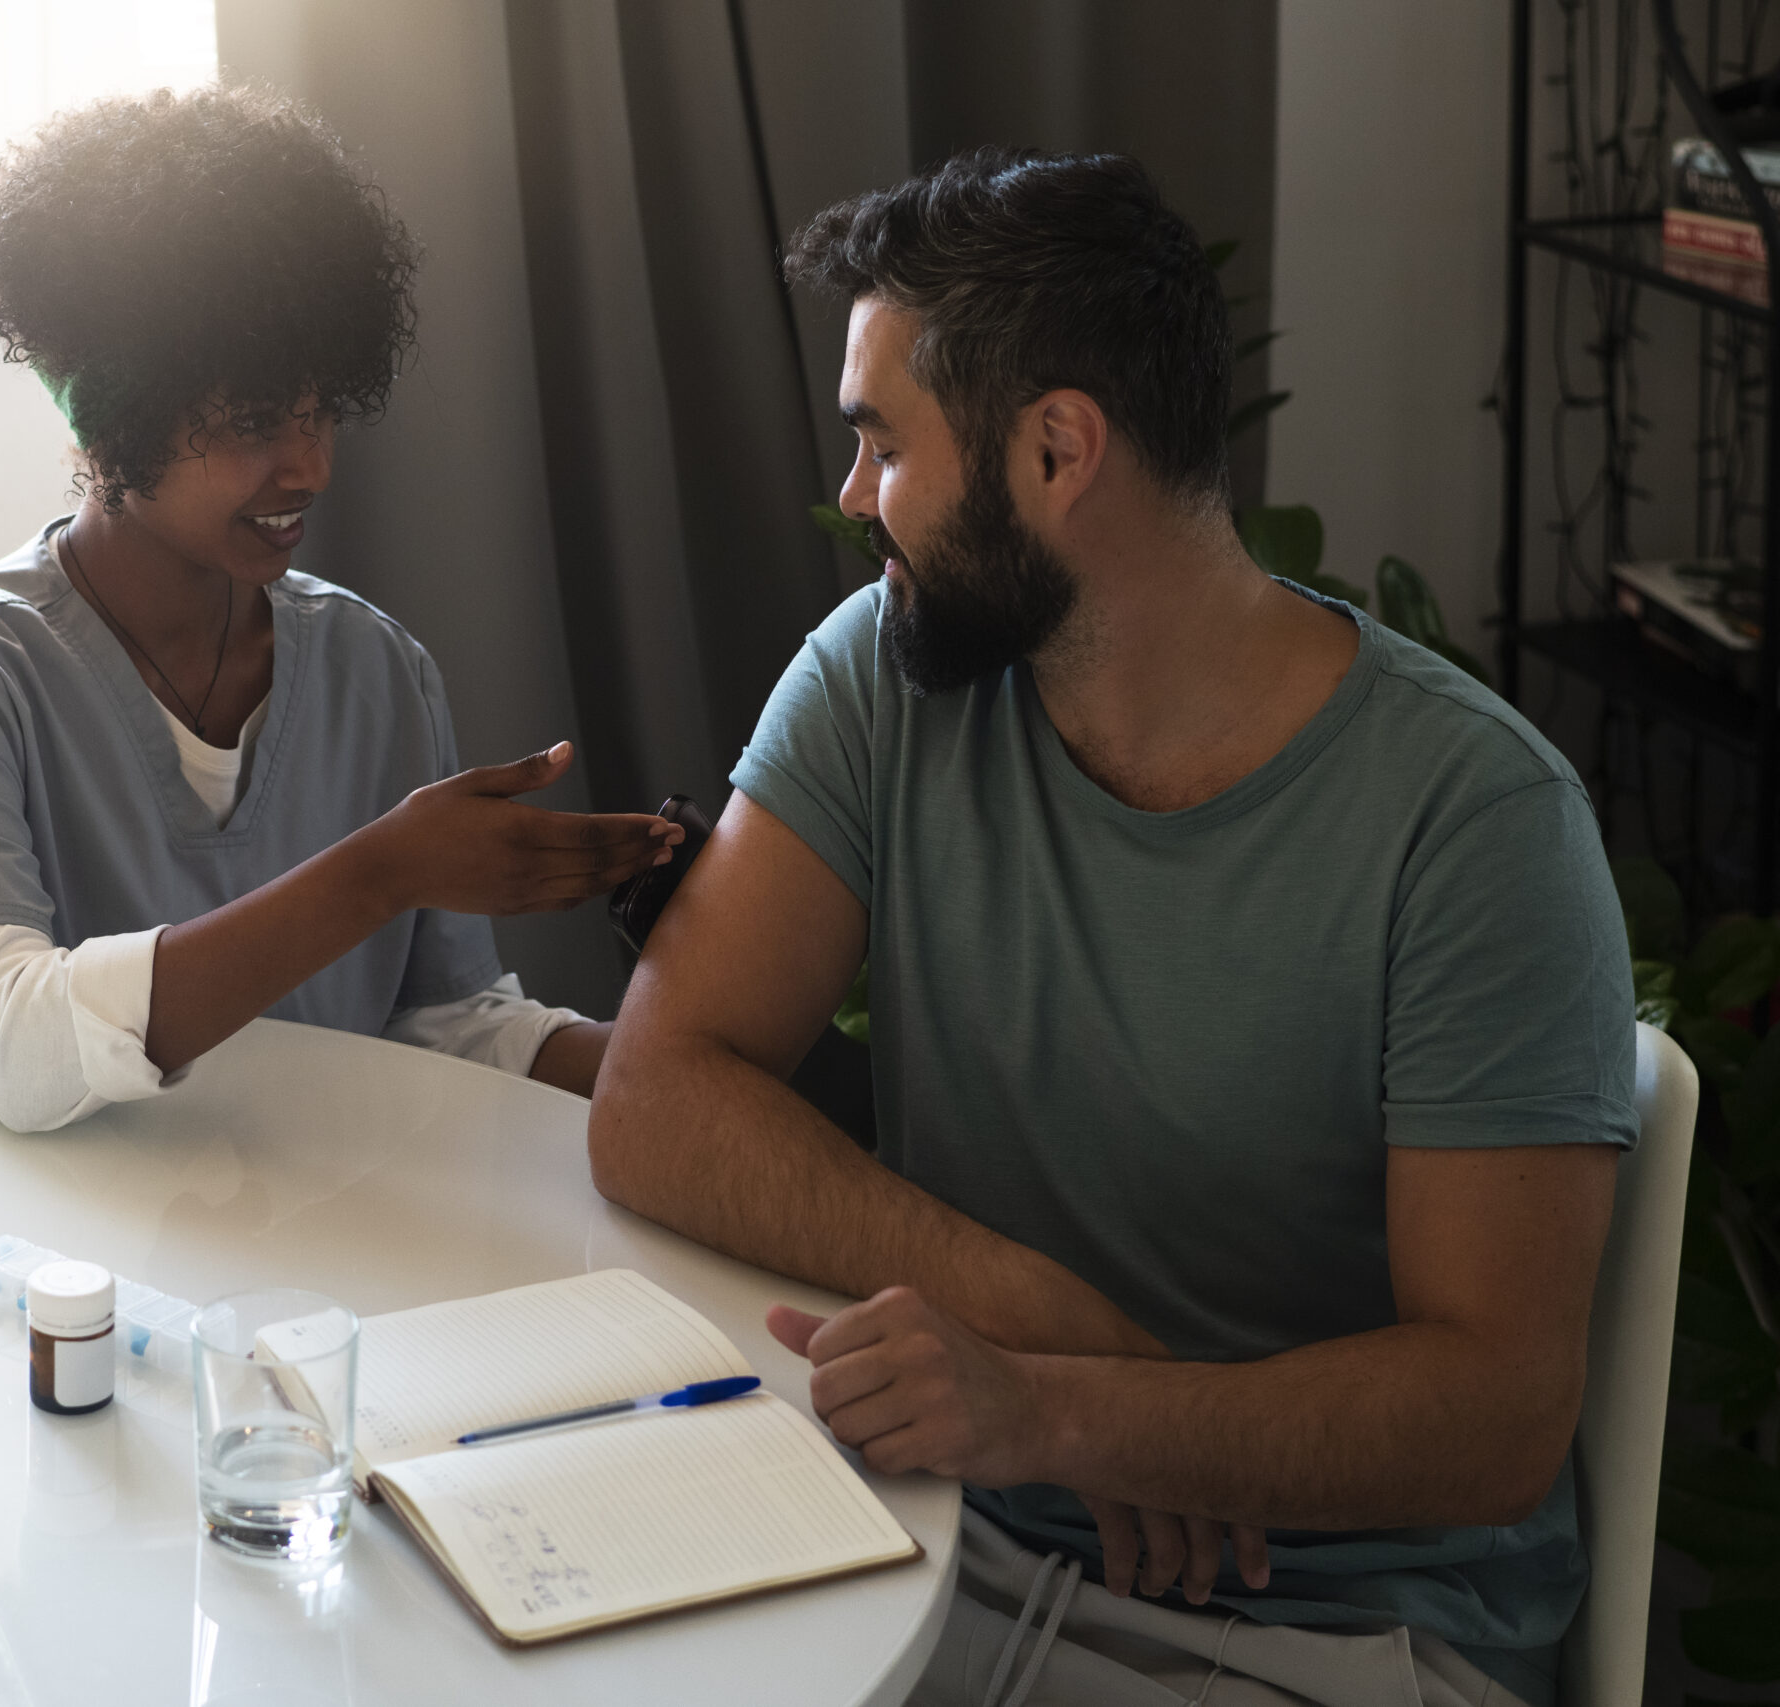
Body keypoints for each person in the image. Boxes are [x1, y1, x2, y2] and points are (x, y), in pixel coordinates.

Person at [589, 147, 1632, 1707]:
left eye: (883, 443)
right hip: (942, 1536)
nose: (856, 497)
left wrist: (1064, 1415)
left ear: (1058, 450)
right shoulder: (888, 667)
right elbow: (659, 1093)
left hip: (1336, 1630)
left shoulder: (1475, 825)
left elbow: (1494, 1410)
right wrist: (1050, 1329)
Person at [0, 85, 677, 1132]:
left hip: (305, 1264)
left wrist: (689, 1051)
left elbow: (443, 1031)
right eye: (252, 423)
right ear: (110, 426)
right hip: (30, 1278)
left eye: (322, 412)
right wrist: (376, 874)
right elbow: (18, 1047)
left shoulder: (377, 671)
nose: (312, 466)